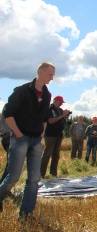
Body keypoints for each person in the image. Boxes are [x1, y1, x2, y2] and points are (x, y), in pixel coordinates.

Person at [0, 61, 54, 217]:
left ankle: (26, 213)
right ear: (41, 72)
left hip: (36, 139)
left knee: (34, 179)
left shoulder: (47, 94)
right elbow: (8, 113)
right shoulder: (22, 91)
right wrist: (17, 133)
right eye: (50, 74)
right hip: (20, 138)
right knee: (13, 177)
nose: (52, 78)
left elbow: (45, 116)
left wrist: (42, 131)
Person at [0, 112, 11, 184]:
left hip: (6, 136)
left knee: (11, 164)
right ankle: (3, 187)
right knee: (12, 164)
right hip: (9, 136)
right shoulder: (11, 106)